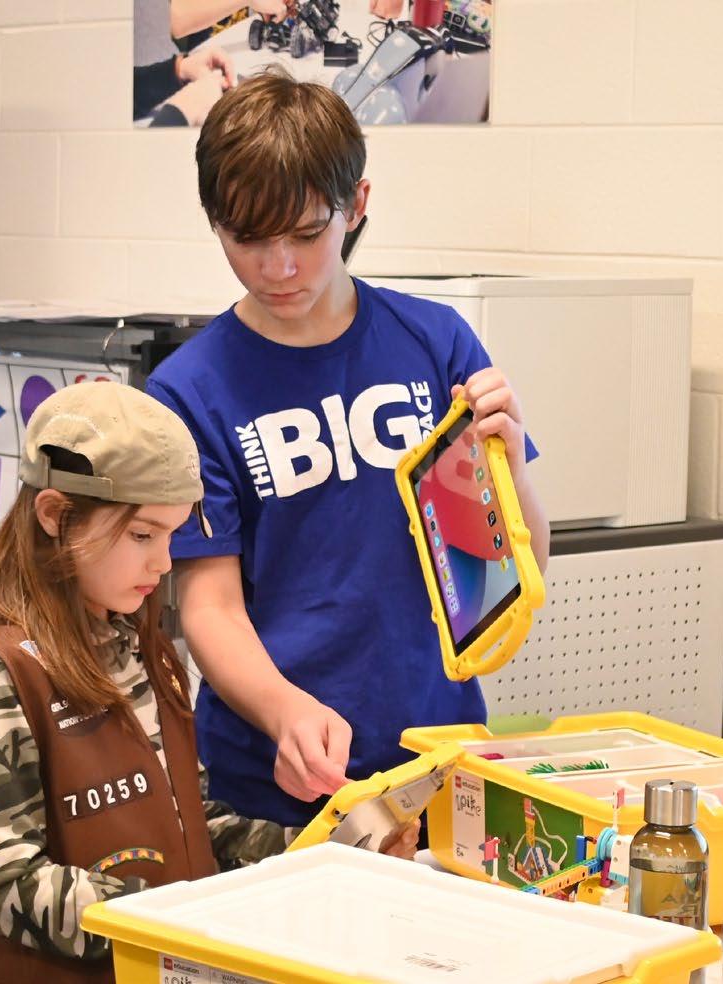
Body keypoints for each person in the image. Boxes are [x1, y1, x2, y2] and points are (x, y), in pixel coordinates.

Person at [146, 69, 550, 829]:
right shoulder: (188, 391)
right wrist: (284, 711)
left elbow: (514, 567)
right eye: (247, 239)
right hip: (273, 786)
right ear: (214, 221)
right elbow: (209, 605)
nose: (278, 267)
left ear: (356, 205)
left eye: (306, 234)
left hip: (437, 761)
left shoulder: (434, 343)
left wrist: (513, 462)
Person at [0, 382, 417, 984]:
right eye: (142, 536)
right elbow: (7, 885)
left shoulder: (147, 653)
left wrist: (327, 851)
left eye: (172, 535)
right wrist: (168, 917)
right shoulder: (6, 681)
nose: (162, 563)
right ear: (55, 516)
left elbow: (195, 827)